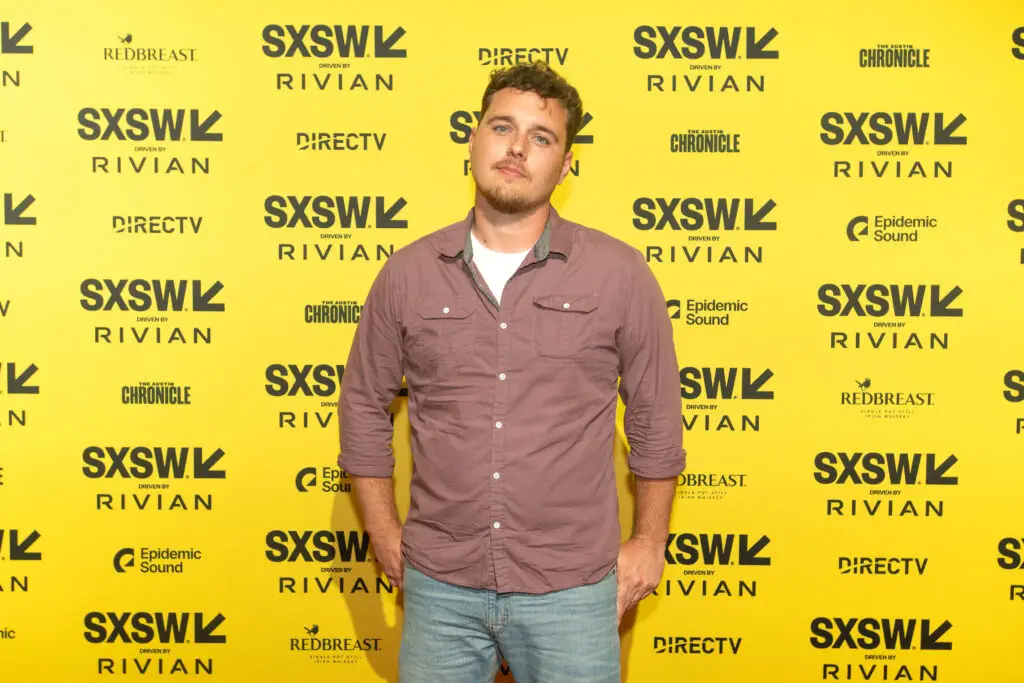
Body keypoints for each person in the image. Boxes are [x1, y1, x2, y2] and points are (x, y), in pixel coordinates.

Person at [338, 59, 686, 683]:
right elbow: (363, 406)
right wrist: (384, 533)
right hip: (440, 585)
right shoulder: (407, 273)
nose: (518, 148)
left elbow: (658, 417)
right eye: (503, 127)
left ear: (567, 163)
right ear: (473, 138)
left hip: (573, 590)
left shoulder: (620, 273)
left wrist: (648, 544)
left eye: (542, 137)